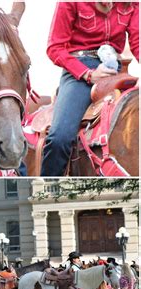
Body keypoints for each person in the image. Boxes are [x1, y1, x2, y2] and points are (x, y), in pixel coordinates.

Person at [41, 2, 139, 176]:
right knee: (60, 138)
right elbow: (54, 48)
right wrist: (87, 74)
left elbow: (137, 42)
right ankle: (46, 191)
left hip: (116, 69)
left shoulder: (131, 4)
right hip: (79, 69)